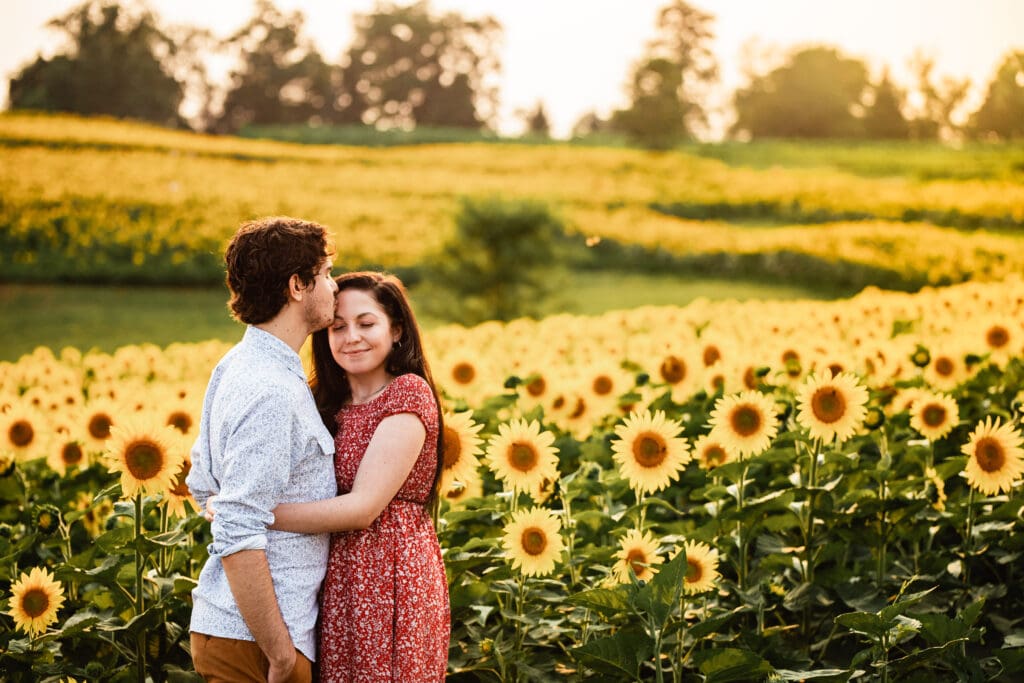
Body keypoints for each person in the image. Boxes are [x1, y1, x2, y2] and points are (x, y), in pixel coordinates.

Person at [267, 271, 450, 682]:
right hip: (336, 576)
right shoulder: (324, 404)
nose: (352, 337)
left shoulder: (407, 394)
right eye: (338, 326)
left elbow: (362, 508)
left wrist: (256, 513)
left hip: (393, 572)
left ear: (397, 329)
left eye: (366, 324)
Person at [186, 216, 340, 683]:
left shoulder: (238, 365)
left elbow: (201, 485)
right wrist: (280, 655)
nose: (334, 286)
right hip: (258, 641)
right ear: (298, 285)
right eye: (328, 273)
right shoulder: (271, 389)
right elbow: (236, 525)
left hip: (242, 631)